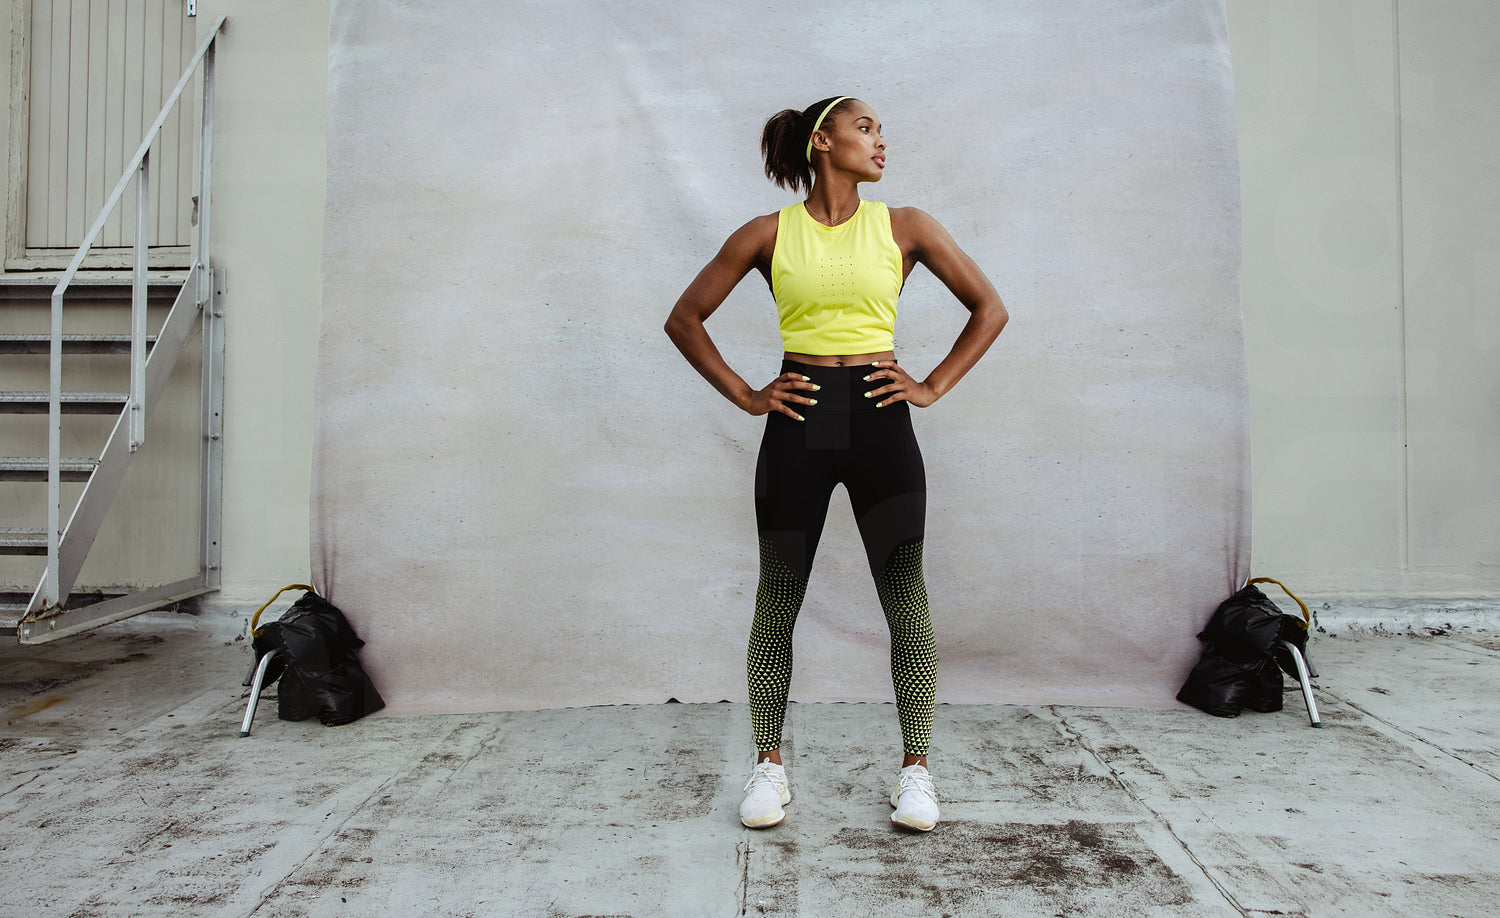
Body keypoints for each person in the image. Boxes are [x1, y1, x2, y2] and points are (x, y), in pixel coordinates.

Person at [664, 96, 1007, 832]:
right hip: (801, 423)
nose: (881, 141)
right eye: (866, 128)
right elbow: (684, 319)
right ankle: (768, 767)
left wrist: (931, 385)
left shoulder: (905, 227)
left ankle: (916, 773)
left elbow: (990, 308)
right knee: (778, 596)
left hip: (881, 421)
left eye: (882, 130)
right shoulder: (766, 234)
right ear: (823, 141)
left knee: (905, 595)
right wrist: (749, 396)